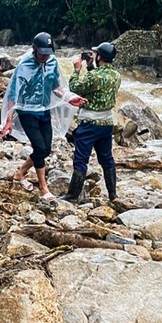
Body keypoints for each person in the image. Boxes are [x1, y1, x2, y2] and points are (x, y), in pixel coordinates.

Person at [1, 32, 84, 203]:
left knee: (46, 149)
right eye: (42, 53)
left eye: (48, 53)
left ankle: (20, 173)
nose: (45, 56)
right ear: (34, 49)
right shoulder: (24, 65)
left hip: (44, 111)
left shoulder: (52, 62)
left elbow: (55, 87)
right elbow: (13, 95)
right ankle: (43, 187)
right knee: (39, 147)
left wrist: (69, 98)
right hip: (27, 112)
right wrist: (9, 120)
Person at [60, 41, 122, 203]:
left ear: (100, 56)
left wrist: (76, 69)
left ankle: (73, 195)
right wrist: (90, 66)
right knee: (106, 158)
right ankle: (113, 194)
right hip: (106, 124)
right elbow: (99, 83)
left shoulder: (94, 76)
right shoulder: (116, 75)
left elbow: (75, 87)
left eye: (95, 54)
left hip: (89, 123)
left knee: (81, 159)